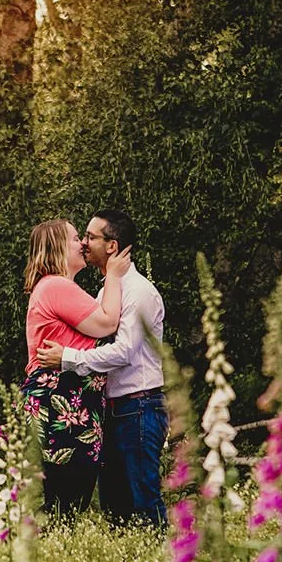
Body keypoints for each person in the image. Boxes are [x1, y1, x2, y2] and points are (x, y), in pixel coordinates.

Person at [37, 209, 168, 527]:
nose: (83, 243)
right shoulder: (106, 292)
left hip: (138, 407)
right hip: (111, 410)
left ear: (112, 246)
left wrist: (66, 358)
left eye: (91, 237)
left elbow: (123, 352)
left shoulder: (138, 293)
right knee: (115, 506)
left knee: (143, 499)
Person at [21, 219, 132, 516]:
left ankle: (54, 556)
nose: (82, 244)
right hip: (61, 402)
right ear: (57, 247)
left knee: (62, 501)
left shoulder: (55, 287)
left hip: (70, 401)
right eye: (74, 239)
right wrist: (113, 275)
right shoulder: (56, 286)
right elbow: (108, 323)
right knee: (65, 500)